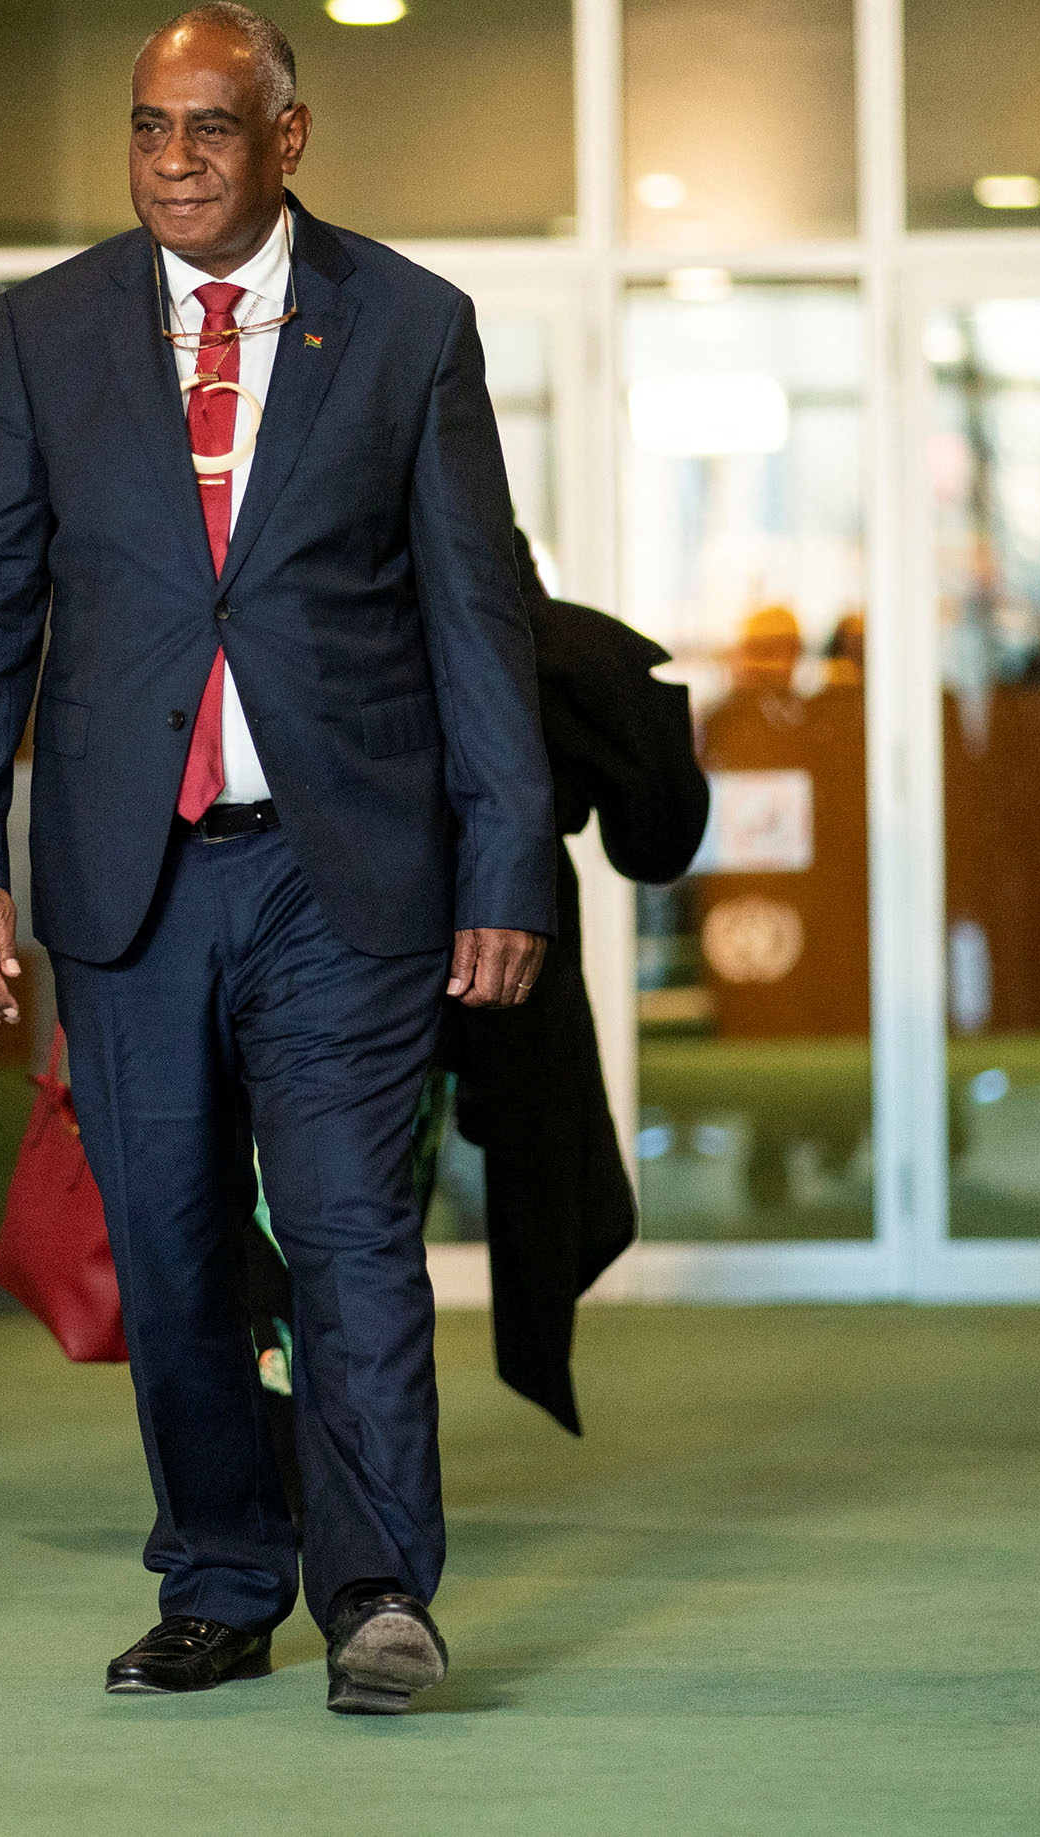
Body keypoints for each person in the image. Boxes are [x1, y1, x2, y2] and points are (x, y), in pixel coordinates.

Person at [0, 3, 553, 1716]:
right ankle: (218, 1572)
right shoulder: (50, 332)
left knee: (351, 1233)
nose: (173, 158)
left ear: (290, 136)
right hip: (134, 877)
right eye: (146, 126)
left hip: (343, 877)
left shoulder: (409, 326)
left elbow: (476, 616)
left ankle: (376, 1591)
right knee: (175, 1244)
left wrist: (507, 870)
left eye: (210, 125)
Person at [443, 528, 708, 1434]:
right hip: (503, 926)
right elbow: (661, 837)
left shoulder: (550, 653)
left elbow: (659, 837)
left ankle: (327, 1444)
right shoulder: (565, 654)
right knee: (524, 1152)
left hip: (378, 932)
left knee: (353, 1201)